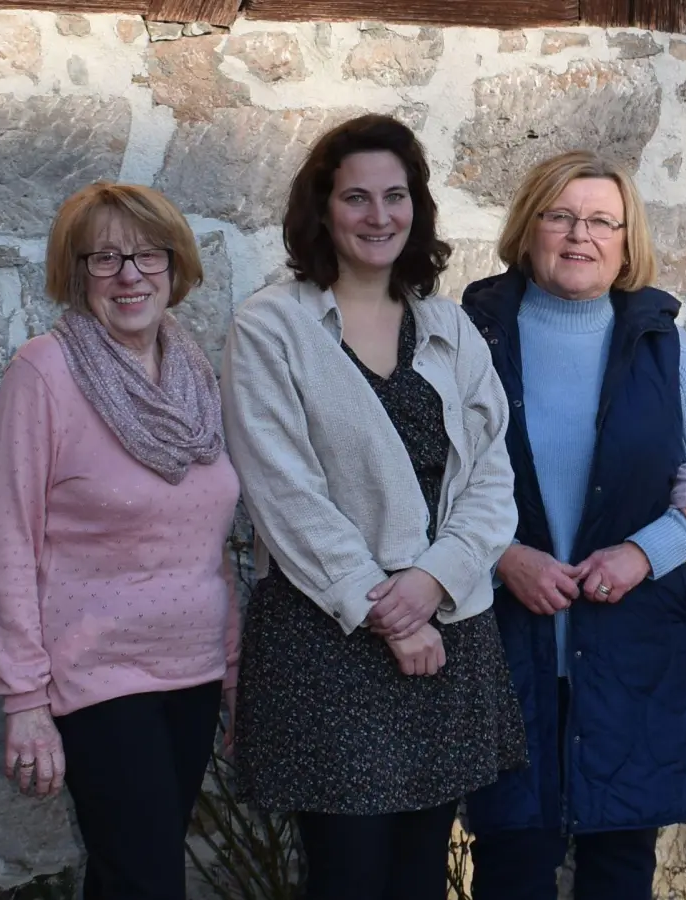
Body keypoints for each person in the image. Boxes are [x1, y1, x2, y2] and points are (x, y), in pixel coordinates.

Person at [219, 113, 526, 900]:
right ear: (322, 210)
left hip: (446, 632)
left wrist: (433, 584)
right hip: (329, 637)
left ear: (417, 209)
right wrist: (390, 611)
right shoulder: (272, 328)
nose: (379, 216)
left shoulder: (450, 327)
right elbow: (285, 494)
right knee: (348, 876)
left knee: (420, 876)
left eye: (396, 196)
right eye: (357, 198)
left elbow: (492, 481)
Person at [460, 150, 686, 900]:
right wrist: (502, 557)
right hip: (503, 644)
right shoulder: (472, 336)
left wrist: (639, 553)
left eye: (600, 221)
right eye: (559, 216)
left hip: (630, 651)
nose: (578, 235)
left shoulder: (660, 341)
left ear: (626, 240)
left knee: (619, 869)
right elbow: (430, 482)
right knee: (511, 863)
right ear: (528, 230)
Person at [0, 182, 237, 899]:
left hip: (194, 672)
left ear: (175, 265)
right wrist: (24, 700)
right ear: (75, 271)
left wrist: (234, 663)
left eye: (148, 254)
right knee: (147, 882)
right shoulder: (44, 373)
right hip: (99, 679)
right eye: (104, 259)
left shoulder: (193, 373)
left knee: (130, 878)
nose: (129, 276)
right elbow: (7, 543)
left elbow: (209, 540)